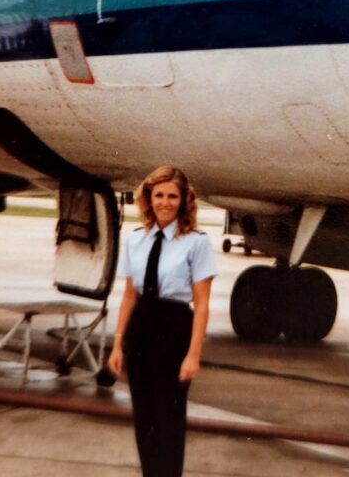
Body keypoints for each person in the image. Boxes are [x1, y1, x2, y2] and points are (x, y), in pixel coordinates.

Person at [108, 166, 217, 477]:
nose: (165, 202)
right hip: (141, 327)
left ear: (183, 201)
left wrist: (193, 354)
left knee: (169, 417)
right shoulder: (136, 240)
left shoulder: (196, 242)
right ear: (148, 198)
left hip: (174, 327)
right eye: (159, 195)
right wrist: (118, 345)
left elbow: (203, 303)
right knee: (144, 416)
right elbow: (130, 296)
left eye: (172, 196)